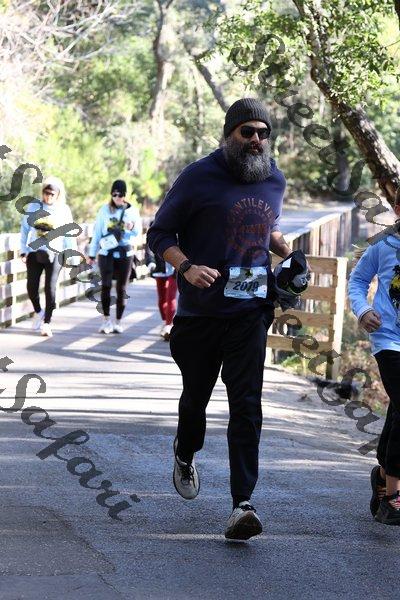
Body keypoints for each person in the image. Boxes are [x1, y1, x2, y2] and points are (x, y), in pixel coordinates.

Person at [147, 98, 294, 540]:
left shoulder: (274, 179)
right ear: (229, 134)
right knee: (196, 398)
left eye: (263, 133)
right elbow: (159, 233)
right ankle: (185, 450)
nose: (256, 140)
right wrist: (187, 267)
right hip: (201, 312)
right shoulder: (198, 176)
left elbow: (266, 228)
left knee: (246, 404)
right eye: (247, 131)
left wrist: (288, 252)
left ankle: (242, 504)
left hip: (251, 311)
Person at [348, 189, 400, 526]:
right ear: (398, 208)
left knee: (397, 411)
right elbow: (358, 280)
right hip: (390, 339)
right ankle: (393, 496)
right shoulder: (384, 244)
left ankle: (383, 476)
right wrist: (363, 309)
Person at [20, 176, 76, 338]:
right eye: (46, 192)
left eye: (52, 194)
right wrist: (23, 250)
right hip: (35, 252)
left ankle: (46, 323)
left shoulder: (63, 210)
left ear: (58, 194)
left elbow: (70, 235)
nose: (48, 196)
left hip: (56, 253)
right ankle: (39, 312)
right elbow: (24, 229)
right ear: (42, 192)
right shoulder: (34, 206)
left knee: (50, 288)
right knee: (31, 287)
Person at [87, 180, 142, 334]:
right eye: (115, 194)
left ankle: (118, 322)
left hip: (125, 253)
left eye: (121, 194)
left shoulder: (132, 211)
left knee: (121, 289)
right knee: (105, 286)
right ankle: (106, 321)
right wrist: (92, 253)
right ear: (111, 194)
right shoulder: (104, 210)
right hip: (106, 253)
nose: (117, 197)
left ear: (125, 195)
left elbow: (138, 232)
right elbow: (97, 233)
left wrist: (131, 227)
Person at [145, 231, 178, 341]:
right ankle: (165, 322)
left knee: (170, 297)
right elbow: (149, 245)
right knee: (162, 299)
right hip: (160, 265)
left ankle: (169, 325)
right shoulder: (156, 224)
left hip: (176, 266)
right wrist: (150, 262)